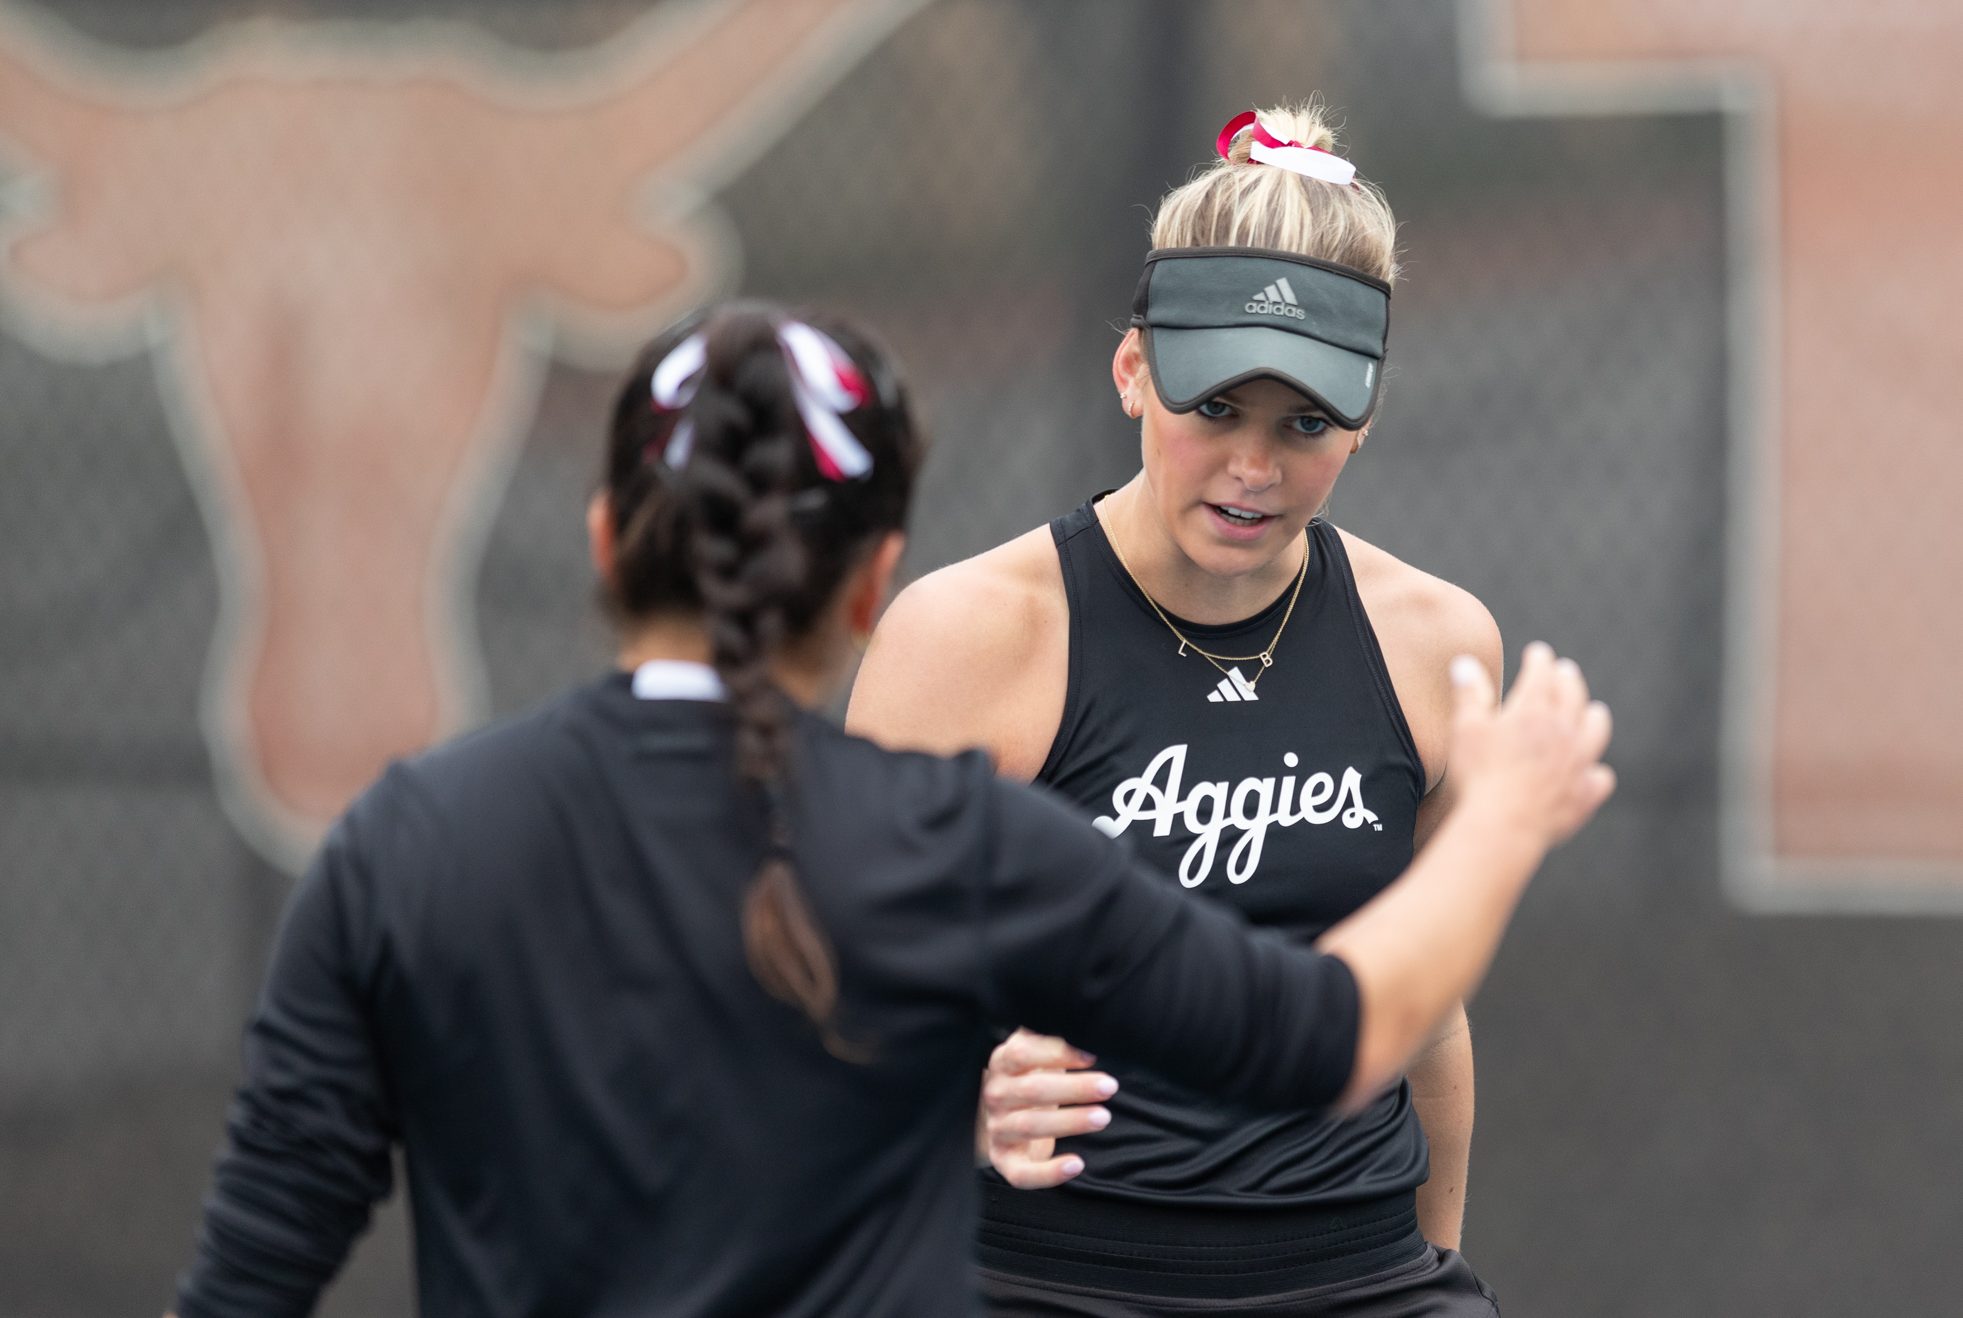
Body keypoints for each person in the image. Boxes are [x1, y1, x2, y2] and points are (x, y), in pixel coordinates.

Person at [169, 302, 1611, 1318]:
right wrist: (1497, 820)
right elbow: (1325, 1026)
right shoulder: (956, 844)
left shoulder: (403, 843)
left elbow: (260, 1255)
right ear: (875, 586)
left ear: (606, 540)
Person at [847, 105, 1517, 1314]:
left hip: (1354, 1274)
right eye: (1213, 410)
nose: (1252, 469)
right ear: (1130, 373)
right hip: (1044, 1280)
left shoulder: (1438, 644)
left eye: (1301, 425)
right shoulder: (967, 640)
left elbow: (1426, 1012)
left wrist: (1428, 1273)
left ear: (1360, 421)